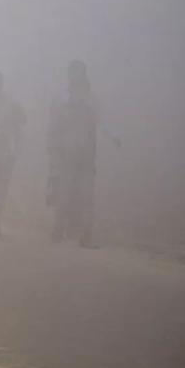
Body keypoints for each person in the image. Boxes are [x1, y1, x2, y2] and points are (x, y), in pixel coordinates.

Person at [47, 60, 118, 247]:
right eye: (72, 72)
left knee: (87, 196)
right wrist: (52, 151)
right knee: (64, 195)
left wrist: (114, 136)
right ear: (69, 75)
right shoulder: (61, 99)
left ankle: (86, 235)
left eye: (78, 72)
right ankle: (57, 232)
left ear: (84, 74)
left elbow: (103, 121)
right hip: (65, 155)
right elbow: (52, 127)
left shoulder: (92, 99)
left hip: (86, 156)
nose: (74, 76)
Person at [0, 70, 26, 237]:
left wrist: (17, 150)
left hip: (6, 149)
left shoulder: (11, 103)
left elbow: (22, 122)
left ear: (0, 84)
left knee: (2, 186)